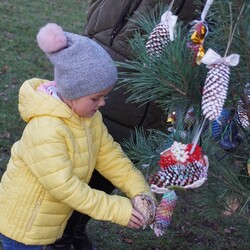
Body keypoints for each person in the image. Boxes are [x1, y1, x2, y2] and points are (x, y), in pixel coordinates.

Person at [48, 1, 198, 250]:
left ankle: (74, 230)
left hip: (161, 73)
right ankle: (61, 236)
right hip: (114, 43)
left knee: (117, 158)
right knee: (82, 155)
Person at [0, 23, 155, 250]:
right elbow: (67, 188)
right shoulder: (47, 129)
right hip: (22, 227)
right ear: (73, 93)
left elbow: (112, 157)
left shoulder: (89, 119)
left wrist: (140, 190)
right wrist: (117, 209)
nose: (102, 103)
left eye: (105, 96)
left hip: (44, 224)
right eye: (96, 98)